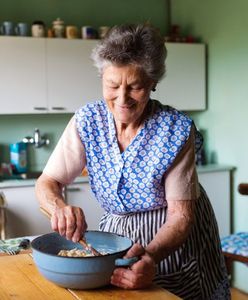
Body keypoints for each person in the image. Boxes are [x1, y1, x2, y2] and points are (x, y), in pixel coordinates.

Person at [35, 23, 230, 299]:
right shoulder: (87, 120)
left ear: (153, 83)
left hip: (172, 241)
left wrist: (150, 255)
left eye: (135, 87)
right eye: (112, 85)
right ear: (102, 76)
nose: (122, 98)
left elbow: (181, 217)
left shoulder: (175, 130)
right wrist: (59, 207)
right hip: (115, 238)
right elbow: (47, 182)